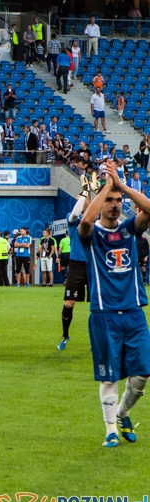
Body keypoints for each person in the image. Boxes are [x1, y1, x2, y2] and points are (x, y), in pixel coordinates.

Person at [78, 161, 150, 447]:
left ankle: (122, 413)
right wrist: (106, 188)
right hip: (104, 314)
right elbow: (85, 222)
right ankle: (110, 430)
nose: (115, 205)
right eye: (109, 200)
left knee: (143, 373)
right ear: (101, 202)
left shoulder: (130, 230)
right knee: (109, 376)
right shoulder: (92, 234)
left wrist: (121, 186)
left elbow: (149, 210)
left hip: (133, 313)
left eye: (118, 200)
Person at [58, 193, 90, 351]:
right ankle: (65, 335)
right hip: (76, 264)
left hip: (93, 264)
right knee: (69, 303)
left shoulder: (98, 219)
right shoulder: (73, 218)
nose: (80, 202)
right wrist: (84, 195)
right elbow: (76, 213)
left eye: (83, 199)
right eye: (78, 200)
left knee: (99, 306)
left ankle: (99, 339)